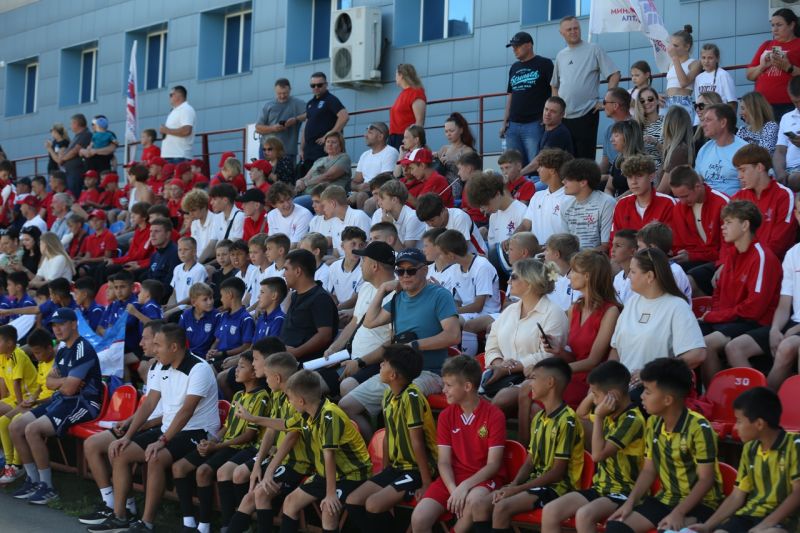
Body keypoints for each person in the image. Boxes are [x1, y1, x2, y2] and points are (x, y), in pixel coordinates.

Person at [98, 324, 220, 532]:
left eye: (158, 345)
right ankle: (120, 516)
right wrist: (127, 436)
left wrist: (162, 441)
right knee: (119, 451)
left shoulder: (199, 369)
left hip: (199, 431)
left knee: (154, 456)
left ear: (174, 347)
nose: (154, 350)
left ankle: (146, 523)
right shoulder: (162, 366)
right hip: (171, 429)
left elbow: (186, 411)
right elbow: (149, 404)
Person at [247, 369, 373, 533]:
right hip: (327, 473)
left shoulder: (330, 415)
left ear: (301, 401)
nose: (289, 402)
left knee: (328, 510)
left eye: (290, 398)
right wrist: (253, 419)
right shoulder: (307, 414)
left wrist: (330, 494)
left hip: (352, 473)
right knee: (290, 502)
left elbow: (329, 455)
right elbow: (284, 424)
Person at [606, 358, 723, 533]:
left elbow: (706, 479)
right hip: (666, 499)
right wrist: (629, 504)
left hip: (700, 503)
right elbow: (648, 470)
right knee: (617, 527)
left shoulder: (699, 428)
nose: (642, 396)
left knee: (667, 531)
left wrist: (678, 513)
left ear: (668, 399)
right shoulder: (653, 422)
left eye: (647, 391)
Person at [474, 358, 585, 533]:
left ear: (550, 382)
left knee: (502, 507)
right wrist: (513, 484)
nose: (529, 383)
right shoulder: (539, 418)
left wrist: (518, 489)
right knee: (480, 505)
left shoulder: (567, 420)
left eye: (533, 378)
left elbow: (557, 473)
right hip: (533, 483)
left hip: (558, 488)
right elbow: (530, 461)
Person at [8, 308, 103, 504]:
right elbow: (49, 383)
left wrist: (62, 383)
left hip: (84, 403)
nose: (57, 329)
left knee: (32, 429)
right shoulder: (62, 349)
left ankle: (47, 487)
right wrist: (65, 381)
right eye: (54, 325)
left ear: (74, 324)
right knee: (15, 426)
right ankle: (32, 480)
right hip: (63, 400)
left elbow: (69, 390)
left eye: (62, 324)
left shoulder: (82, 349)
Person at [78, 320, 163, 527]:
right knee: (91, 444)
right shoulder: (153, 367)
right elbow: (147, 405)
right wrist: (128, 421)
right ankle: (112, 503)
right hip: (142, 424)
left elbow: (173, 414)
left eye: (145, 338)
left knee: (118, 451)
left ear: (159, 340)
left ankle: (124, 510)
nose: (141, 343)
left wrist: (142, 425)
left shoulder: (177, 369)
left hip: (157, 428)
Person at [543, 360, 645, 533]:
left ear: (613, 395)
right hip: (601, 489)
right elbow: (581, 413)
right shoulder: (609, 414)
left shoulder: (632, 420)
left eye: (596, 396)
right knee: (551, 511)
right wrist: (595, 393)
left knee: (584, 515)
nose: (595, 402)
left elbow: (597, 455)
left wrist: (598, 417)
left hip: (626, 492)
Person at [345, 344, 438, 532]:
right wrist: (385, 469)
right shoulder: (388, 394)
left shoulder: (412, 397)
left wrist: (427, 482)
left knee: (373, 504)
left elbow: (417, 442)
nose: (380, 365)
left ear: (394, 375)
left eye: (385, 363)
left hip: (416, 470)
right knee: (353, 501)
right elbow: (388, 435)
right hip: (396, 468)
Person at [172, 352, 268, 533]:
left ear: (254, 373)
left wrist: (217, 446)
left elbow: (249, 435)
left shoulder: (262, 397)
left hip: (240, 447)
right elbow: (227, 426)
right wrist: (211, 440)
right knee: (191, 469)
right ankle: (202, 525)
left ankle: (228, 524)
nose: (236, 370)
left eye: (241, 366)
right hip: (225, 444)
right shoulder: (238, 395)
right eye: (237, 366)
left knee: (212, 472)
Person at [410, 356, 506, 533]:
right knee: (419, 518)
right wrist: (454, 489)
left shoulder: (494, 415)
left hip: (483, 479)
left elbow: (493, 465)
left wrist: (464, 486)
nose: (443, 390)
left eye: (449, 385)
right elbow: (443, 462)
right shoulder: (446, 415)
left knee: (474, 501)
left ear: (467, 386)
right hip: (452, 478)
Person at [224, 349, 309, 533]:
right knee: (249, 498)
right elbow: (271, 429)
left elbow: (292, 435)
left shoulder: (296, 398)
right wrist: (257, 465)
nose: (265, 380)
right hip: (282, 458)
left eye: (268, 377)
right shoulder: (278, 394)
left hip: (299, 462)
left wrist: (269, 470)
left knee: (261, 494)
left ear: (277, 378)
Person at [693, 387, 800, 533]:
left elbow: (798, 493)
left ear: (759, 424)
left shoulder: (795, 445)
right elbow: (737, 495)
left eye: (739, 421)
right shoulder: (749, 449)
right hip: (748, 516)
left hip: (784, 521)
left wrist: (765, 525)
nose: (735, 427)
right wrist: (707, 526)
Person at [699, 201, 781, 387]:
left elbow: (754, 308)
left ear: (745, 225)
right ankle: (699, 395)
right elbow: (719, 294)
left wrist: (715, 316)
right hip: (734, 319)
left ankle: (718, 397)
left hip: (757, 322)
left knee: (707, 343)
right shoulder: (732, 254)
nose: (723, 227)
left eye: (728, 222)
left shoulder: (762, 257)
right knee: (689, 338)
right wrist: (716, 315)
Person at [608, 248, 706, 390]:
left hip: (656, 391)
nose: (628, 276)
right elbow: (615, 349)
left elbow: (697, 354)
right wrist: (609, 381)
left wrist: (652, 373)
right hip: (624, 390)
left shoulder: (677, 307)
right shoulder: (632, 302)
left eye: (633, 272)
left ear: (649, 276)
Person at [482, 258, 568, 416]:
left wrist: (509, 369)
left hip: (535, 377)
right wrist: (499, 364)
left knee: (503, 398)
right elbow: (492, 344)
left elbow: (548, 354)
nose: (508, 281)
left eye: (514, 277)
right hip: (503, 375)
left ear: (530, 282)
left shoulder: (554, 313)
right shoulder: (509, 311)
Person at [554, 251, 620, 408]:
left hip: (592, 379)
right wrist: (559, 351)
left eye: (574, 271)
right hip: (572, 372)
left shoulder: (610, 311)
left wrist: (557, 370)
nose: (569, 276)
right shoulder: (575, 308)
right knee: (530, 391)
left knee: (541, 393)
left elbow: (593, 361)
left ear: (587, 276)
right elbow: (574, 355)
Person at [552, 16, 620, 160]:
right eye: (569, 29)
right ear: (561, 33)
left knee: (585, 160)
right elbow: (554, 85)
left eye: (576, 28)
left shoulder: (594, 49)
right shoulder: (560, 56)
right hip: (564, 117)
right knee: (564, 160)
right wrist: (555, 111)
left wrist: (606, 101)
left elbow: (614, 74)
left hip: (587, 113)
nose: (573, 31)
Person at [280, 249, 339, 390]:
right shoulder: (295, 295)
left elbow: (324, 336)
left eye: (286, 269)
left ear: (298, 271)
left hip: (307, 364)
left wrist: (296, 352)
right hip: (287, 359)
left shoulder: (320, 298)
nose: (283, 274)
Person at [732, 144, 797, 258]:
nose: (739, 176)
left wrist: (752, 260)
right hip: (740, 260)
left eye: (743, 170)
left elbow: (780, 242)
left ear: (759, 167)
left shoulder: (784, 196)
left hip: (770, 262)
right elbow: (728, 237)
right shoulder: (738, 197)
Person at [501, 31, 554, 169]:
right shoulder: (514, 67)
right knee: (513, 165)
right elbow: (510, 95)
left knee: (536, 164)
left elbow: (554, 90)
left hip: (535, 123)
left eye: (517, 46)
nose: (514, 49)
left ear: (529, 45)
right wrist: (505, 121)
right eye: (513, 46)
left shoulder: (545, 63)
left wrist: (550, 116)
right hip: (513, 124)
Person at [669, 165, 729, 277]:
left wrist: (693, 256)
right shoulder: (678, 209)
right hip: (697, 259)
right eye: (678, 197)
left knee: (690, 278)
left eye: (685, 196)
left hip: (721, 261)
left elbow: (727, 248)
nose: (682, 201)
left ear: (698, 187)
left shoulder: (722, 204)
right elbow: (679, 244)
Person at [747, 7, 800, 121]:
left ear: (791, 25)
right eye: (772, 25)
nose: (774, 29)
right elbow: (749, 75)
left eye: (779, 25)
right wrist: (762, 66)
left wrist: (789, 68)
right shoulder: (767, 44)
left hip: (788, 104)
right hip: (762, 104)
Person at [611, 155, 675, 242]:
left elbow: (672, 241)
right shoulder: (621, 204)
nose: (633, 182)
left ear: (651, 176)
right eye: (629, 177)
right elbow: (614, 241)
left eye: (639, 176)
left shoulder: (667, 203)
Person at [560, 159, 616, 252]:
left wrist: (579, 256)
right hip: (572, 257)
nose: (563, 182)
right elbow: (565, 242)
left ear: (583, 183)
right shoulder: (566, 204)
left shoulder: (607, 203)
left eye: (568, 179)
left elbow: (606, 246)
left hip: (596, 258)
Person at [518, 148, 572, 244]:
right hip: (536, 253)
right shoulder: (537, 196)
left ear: (552, 171)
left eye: (541, 166)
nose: (538, 170)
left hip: (560, 253)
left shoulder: (571, 198)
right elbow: (525, 225)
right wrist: (513, 238)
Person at [299, 72, 349, 173]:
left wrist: (328, 135)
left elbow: (344, 117)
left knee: (320, 178)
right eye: (313, 85)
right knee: (307, 179)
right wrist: (301, 148)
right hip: (309, 151)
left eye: (319, 85)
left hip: (323, 150)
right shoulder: (310, 103)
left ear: (326, 84)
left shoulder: (331, 100)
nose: (316, 87)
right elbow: (306, 126)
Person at [696, 103, 748, 196]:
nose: (703, 125)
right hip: (706, 202)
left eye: (708, 120)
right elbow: (697, 181)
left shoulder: (744, 151)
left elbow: (747, 190)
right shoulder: (705, 149)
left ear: (723, 123)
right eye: (703, 120)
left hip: (733, 203)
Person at [255, 78, 305, 162]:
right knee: (265, 170)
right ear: (275, 91)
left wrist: (296, 119)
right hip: (267, 150)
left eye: (285, 93)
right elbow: (258, 127)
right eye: (279, 93)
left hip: (287, 151)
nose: (282, 96)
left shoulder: (298, 103)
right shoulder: (268, 105)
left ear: (290, 90)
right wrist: (273, 128)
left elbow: (309, 113)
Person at [350, 122, 399, 206]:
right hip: (365, 190)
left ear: (380, 137)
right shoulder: (365, 155)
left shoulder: (390, 152)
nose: (365, 135)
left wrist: (366, 187)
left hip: (381, 191)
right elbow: (355, 181)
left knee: (361, 196)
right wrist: (358, 187)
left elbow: (385, 179)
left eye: (370, 133)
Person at [371, 179, 427, 248]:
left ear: (394, 200)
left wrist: (390, 228)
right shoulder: (381, 214)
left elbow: (406, 252)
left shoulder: (413, 218)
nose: (379, 203)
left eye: (382, 199)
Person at [599, 88, 634, 196]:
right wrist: (591, 176)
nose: (603, 105)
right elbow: (605, 162)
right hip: (612, 180)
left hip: (630, 178)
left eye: (605, 102)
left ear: (615, 106)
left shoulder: (635, 127)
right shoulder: (609, 129)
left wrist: (606, 177)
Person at [295, 131, 351, 198]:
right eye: (328, 141)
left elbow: (329, 176)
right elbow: (306, 177)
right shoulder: (320, 160)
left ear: (341, 145)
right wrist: (300, 181)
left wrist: (306, 183)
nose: (330, 144)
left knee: (296, 202)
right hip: (307, 194)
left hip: (326, 196)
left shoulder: (344, 158)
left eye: (333, 142)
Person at [664, 25, 702, 117]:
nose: (672, 48)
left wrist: (675, 58)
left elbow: (683, 82)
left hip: (682, 102)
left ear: (687, 47)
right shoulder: (671, 64)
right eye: (671, 45)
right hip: (668, 102)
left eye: (676, 46)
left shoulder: (694, 63)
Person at [436, 113, 476, 199]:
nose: (448, 134)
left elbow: (471, 174)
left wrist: (454, 162)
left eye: (451, 131)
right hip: (442, 188)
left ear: (461, 130)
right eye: (446, 131)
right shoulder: (444, 149)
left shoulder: (467, 151)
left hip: (458, 191)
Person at [604, 119, 646, 198]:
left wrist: (617, 201)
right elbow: (608, 188)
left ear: (627, 138)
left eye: (616, 136)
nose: (611, 139)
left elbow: (636, 189)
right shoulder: (618, 159)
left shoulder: (641, 160)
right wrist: (610, 200)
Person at [389, 63, 426, 149]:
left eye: (396, 75)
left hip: (405, 138)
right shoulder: (403, 93)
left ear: (401, 75)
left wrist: (415, 143)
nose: (395, 78)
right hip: (393, 137)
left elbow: (419, 121)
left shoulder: (416, 92)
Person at [774, 77, 800, 190]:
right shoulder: (786, 118)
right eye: (795, 102)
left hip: (795, 176)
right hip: (790, 171)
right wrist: (780, 172)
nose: (798, 105)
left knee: (795, 179)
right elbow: (780, 150)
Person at [694, 43, 738, 111]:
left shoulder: (723, 75)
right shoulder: (698, 78)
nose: (706, 61)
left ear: (717, 59)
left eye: (710, 58)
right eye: (703, 58)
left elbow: (732, 102)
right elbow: (698, 103)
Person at [159, 85, 196, 163]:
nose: (169, 97)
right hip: (171, 156)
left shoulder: (186, 109)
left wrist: (166, 130)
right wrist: (165, 131)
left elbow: (186, 131)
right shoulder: (174, 111)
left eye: (171, 95)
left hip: (179, 156)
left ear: (179, 95)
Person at [59, 114, 92, 198]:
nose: (70, 126)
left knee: (74, 195)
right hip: (70, 172)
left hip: (77, 173)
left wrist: (63, 159)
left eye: (71, 123)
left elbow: (75, 151)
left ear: (76, 123)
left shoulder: (86, 134)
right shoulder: (76, 136)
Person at [633, 86, 664, 169]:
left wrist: (656, 143)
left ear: (657, 101)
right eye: (642, 101)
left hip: (662, 171)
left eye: (650, 99)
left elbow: (672, 154)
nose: (646, 102)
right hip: (640, 170)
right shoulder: (636, 125)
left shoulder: (667, 122)